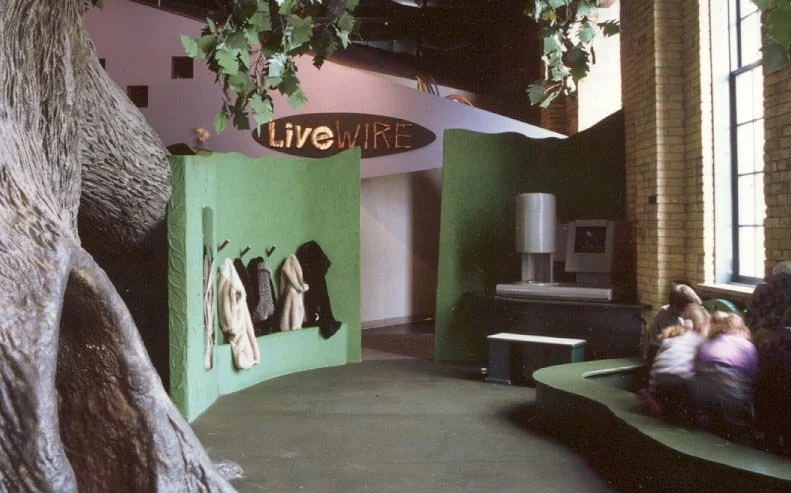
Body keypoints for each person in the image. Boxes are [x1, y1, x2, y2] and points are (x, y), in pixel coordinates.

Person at [691, 312, 758, 444]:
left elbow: (695, 364)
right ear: (742, 329)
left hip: (701, 384)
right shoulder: (748, 345)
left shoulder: (710, 341)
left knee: (706, 418)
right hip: (730, 384)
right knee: (736, 425)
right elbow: (753, 375)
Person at [645, 305, 711, 420]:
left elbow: (659, 360)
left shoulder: (670, 338)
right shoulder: (698, 340)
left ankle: (656, 401)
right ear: (702, 327)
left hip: (659, 382)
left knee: (671, 399)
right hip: (680, 381)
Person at [645, 284, 703, 364]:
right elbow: (660, 341)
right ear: (674, 307)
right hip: (663, 352)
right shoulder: (664, 313)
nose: (689, 313)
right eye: (686, 310)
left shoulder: (694, 313)